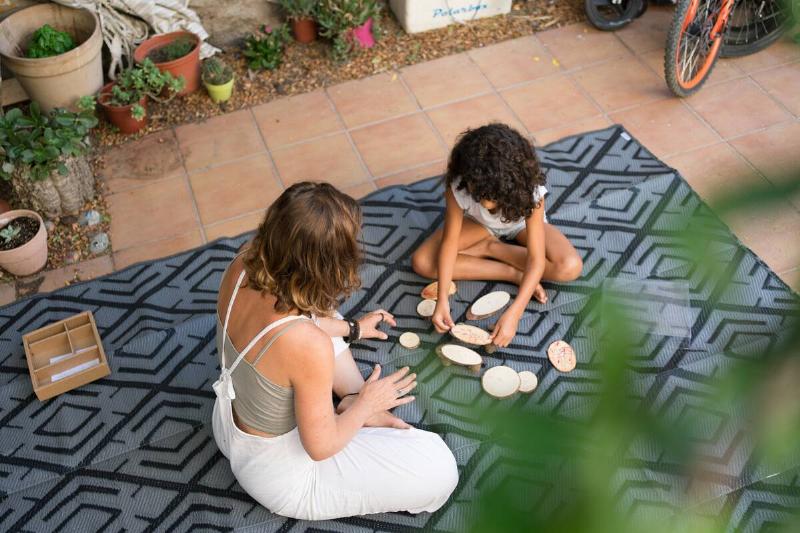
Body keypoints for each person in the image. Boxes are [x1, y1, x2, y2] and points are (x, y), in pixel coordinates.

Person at [211, 181, 458, 521]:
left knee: (323, 314)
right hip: (282, 476)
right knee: (440, 467)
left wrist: (353, 329)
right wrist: (366, 405)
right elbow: (320, 447)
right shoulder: (306, 344)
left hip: (229, 424)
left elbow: (286, 328)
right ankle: (354, 402)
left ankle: (352, 395)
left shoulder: (243, 261)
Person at [412, 123, 583, 348]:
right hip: (478, 226)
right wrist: (442, 298)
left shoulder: (531, 194)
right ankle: (510, 272)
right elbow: (449, 243)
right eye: (477, 192)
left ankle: (491, 248)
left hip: (519, 225)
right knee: (422, 262)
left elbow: (536, 259)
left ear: (510, 186)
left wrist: (515, 313)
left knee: (570, 267)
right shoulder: (460, 185)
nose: (482, 201)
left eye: (489, 196)